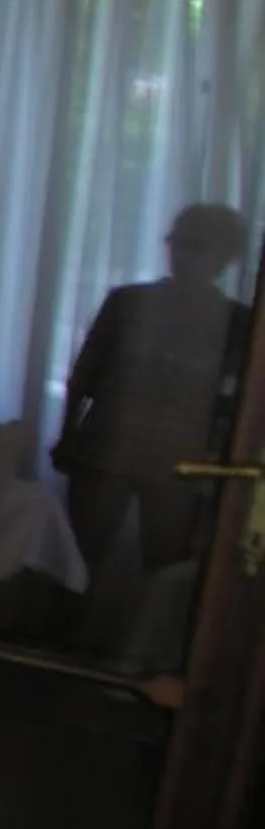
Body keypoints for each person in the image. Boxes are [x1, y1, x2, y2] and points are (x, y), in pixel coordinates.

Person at [52, 202, 254, 580]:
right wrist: (68, 437)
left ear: (228, 256)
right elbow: (83, 378)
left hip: (181, 463)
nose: (184, 255)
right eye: (178, 242)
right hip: (107, 452)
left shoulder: (240, 324)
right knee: (75, 563)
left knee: (167, 570)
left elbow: (240, 403)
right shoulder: (127, 303)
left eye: (198, 245)